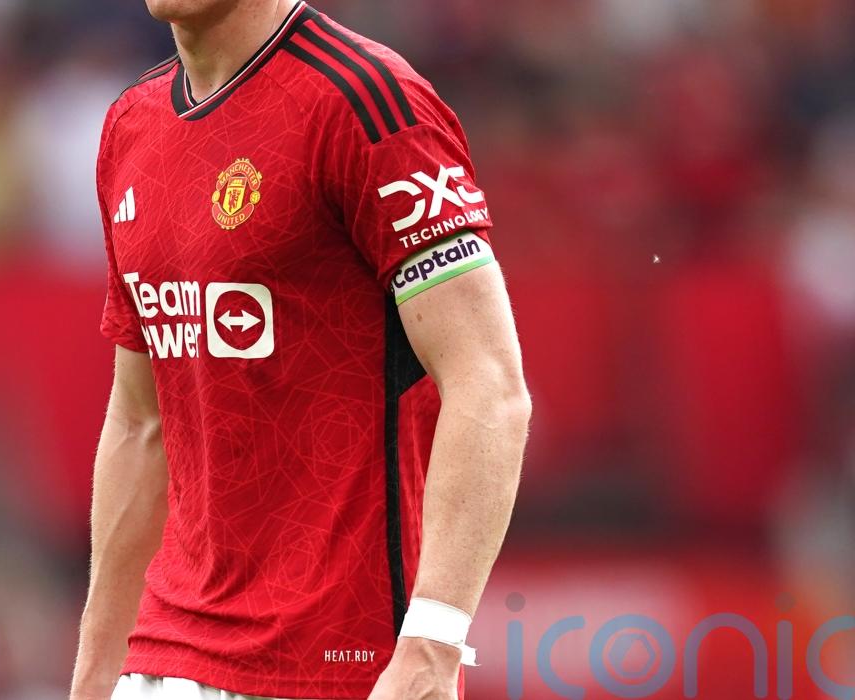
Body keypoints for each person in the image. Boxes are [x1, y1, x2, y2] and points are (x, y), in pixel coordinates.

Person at [71, 1, 531, 698]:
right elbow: (141, 423)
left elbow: (489, 385)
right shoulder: (131, 125)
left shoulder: (369, 104)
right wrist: (95, 674)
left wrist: (433, 647)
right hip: (165, 659)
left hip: (335, 665)